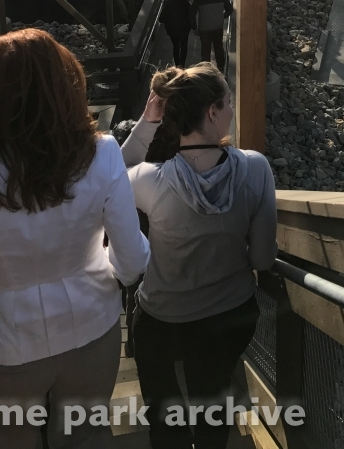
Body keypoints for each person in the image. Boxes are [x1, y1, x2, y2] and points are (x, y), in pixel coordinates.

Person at [0, 29, 150, 449]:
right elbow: (132, 264)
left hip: (4, 341)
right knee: (85, 436)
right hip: (91, 326)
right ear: (66, 85)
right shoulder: (103, 153)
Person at [125, 63, 277, 449]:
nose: (232, 110)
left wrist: (147, 122)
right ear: (212, 112)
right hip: (228, 317)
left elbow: (110, 176)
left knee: (164, 418)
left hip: (163, 320)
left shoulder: (149, 179)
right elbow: (262, 260)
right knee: (213, 405)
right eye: (228, 102)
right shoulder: (255, 169)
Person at [190, 0, 233, 72]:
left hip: (204, 28)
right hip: (217, 26)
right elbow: (230, 9)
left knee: (205, 50)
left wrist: (194, 27)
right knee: (218, 48)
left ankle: (206, 70)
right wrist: (222, 16)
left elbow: (192, 13)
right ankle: (221, 67)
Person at [160, 0, 192, 67]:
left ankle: (177, 64)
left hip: (172, 29)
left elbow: (161, 18)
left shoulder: (169, 4)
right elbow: (191, 16)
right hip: (184, 29)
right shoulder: (186, 3)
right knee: (184, 46)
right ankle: (182, 65)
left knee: (175, 46)